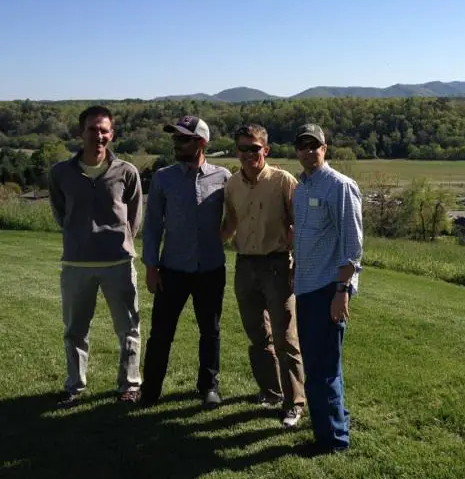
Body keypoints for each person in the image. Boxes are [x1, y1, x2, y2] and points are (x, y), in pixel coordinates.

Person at [48, 105, 143, 407]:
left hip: (117, 262)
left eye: (104, 130)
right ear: (81, 132)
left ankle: (129, 385)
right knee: (75, 330)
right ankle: (75, 386)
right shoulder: (61, 173)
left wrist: (119, 240)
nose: (98, 136)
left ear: (111, 134)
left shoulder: (126, 172)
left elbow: (134, 217)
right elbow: (61, 214)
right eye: (92, 129)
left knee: (128, 328)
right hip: (76, 263)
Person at [140, 115, 231, 407]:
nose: (176, 143)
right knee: (161, 333)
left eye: (183, 138)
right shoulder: (163, 178)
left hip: (211, 270)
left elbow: (238, 215)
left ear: (201, 142)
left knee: (210, 331)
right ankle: (150, 390)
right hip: (172, 270)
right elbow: (152, 225)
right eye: (175, 138)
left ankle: (209, 387)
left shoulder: (223, 177)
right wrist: (151, 266)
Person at [221, 124, 306, 428]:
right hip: (245, 266)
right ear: (237, 151)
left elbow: (300, 225)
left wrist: (298, 262)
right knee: (258, 335)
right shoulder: (232, 185)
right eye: (243, 148)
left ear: (265, 150)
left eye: (254, 148)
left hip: (277, 266)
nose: (248, 154)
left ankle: (295, 402)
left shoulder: (283, 181)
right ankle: (270, 391)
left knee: (286, 338)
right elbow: (230, 224)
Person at [292, 124, 363, 453]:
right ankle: (335, 425)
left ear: (325, 148)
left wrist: (341, 291)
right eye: (303, 146)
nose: (309, 151)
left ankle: (332, 441)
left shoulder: (339, 186)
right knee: (321, 365)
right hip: (306, 288)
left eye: (314, 145)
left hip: (327, 290)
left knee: (322, 370)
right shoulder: (302, 187)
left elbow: (352, 248)